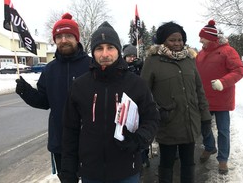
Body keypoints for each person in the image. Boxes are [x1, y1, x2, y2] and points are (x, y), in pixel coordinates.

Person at [59, 21, 159, 183]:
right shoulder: (80, 86)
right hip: (91, 172)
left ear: (118, 51)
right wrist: (68, 169)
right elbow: (70, 130)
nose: (105, 54)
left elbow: (152, 119)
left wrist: (138, 139)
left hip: (127, 170)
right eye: (99, 48)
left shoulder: (136, 84)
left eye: (110, 47)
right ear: (93, 52)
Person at [15, 13, 92, 179]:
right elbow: (44, 101)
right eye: (59, 36)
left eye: (69, 35)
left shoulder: (91, 66)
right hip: (61, 142)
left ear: (77, 38)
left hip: (89, 141)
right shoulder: (50, 69)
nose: (63, 40)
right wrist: (25, 91)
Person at [140, 21, 212, 183]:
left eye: (180, 39)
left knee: (188, 162)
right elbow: (144, 93)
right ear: (163, 41)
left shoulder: (189, 60)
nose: (177, 43)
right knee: (166, 163)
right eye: (172, 40)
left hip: (189, 121)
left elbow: (199, 90)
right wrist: (156, 112)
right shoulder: (153, 61)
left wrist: (205, 116)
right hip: (168, 123)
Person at [196, 20, 243, 175]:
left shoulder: (228, 51)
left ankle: (223, 159)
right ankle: (210, 147)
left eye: (202, 37)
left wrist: (223, 82)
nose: (200, 40)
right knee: (204, 127)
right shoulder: (201, 53)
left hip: (222, 99)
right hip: (204, 99)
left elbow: (238, 71)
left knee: (223, 131)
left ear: (210, 38)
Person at [122, 44, 150, 168]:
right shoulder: (122, 68)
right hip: (127, 104)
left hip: (140, 103)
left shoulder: (140, 67)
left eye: (134, 56)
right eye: (129, 56)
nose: (132, 59)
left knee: (141, 131)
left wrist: (141, 67)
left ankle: (144, 157)